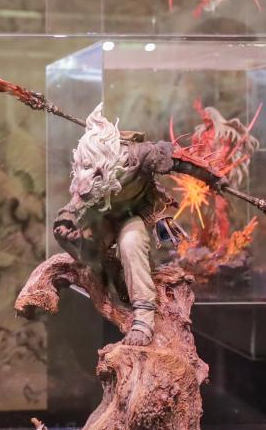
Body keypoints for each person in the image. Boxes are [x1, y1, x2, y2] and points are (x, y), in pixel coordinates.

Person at [52, 103, 224, 346]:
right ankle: (108, 270)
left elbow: (179, 160)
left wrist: (214, 178)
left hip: (132, 215)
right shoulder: (87, 168)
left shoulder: (141, 155)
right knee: (86, 248)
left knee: (131, 243)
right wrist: (66, 224)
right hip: (101, 218)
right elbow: (76, 202)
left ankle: (144, 318)